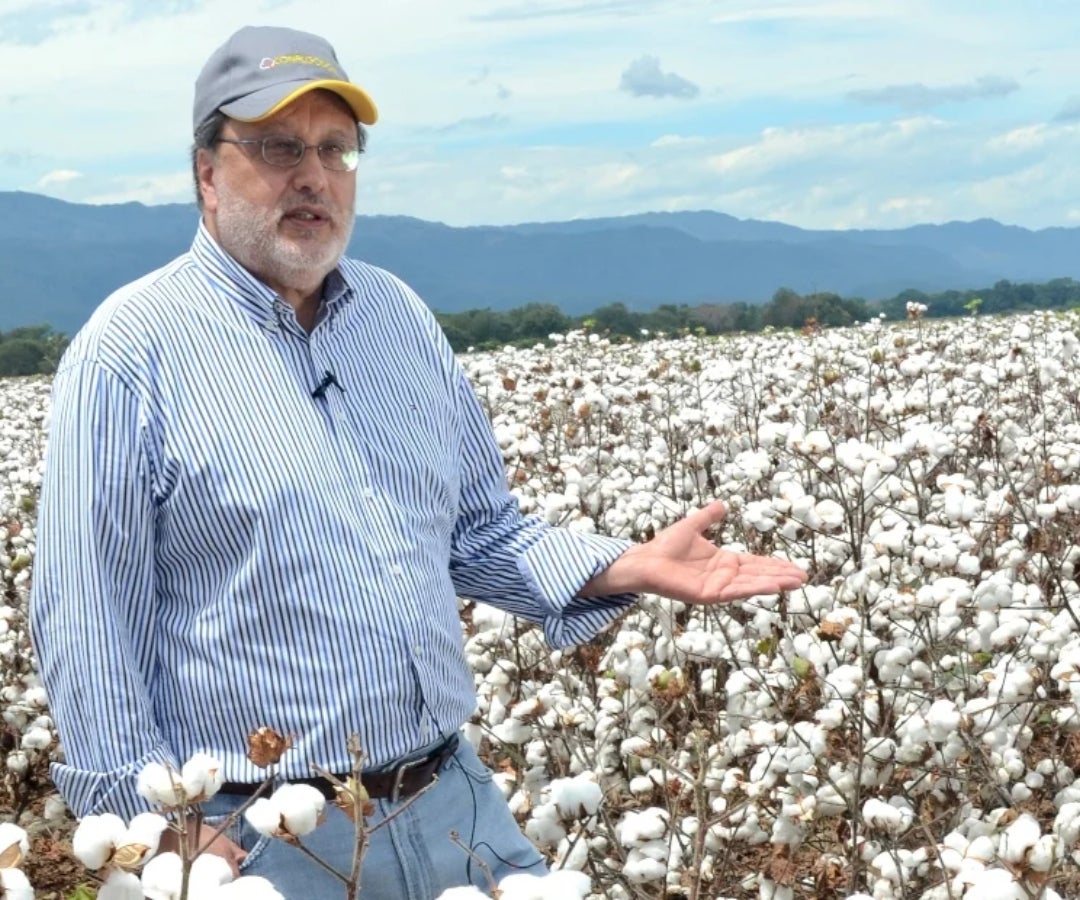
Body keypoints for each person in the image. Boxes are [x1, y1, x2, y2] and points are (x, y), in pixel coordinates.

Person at [30, 24, 807, 899]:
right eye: (278, 147)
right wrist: (164, 829)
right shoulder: (128, 352)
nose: (314, 175)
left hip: (453, 802)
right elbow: (86, 611)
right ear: (207, 173)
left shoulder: (395, 318)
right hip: (255, 844)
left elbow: (477, 528)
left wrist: (617, 566)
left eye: (337, 149)